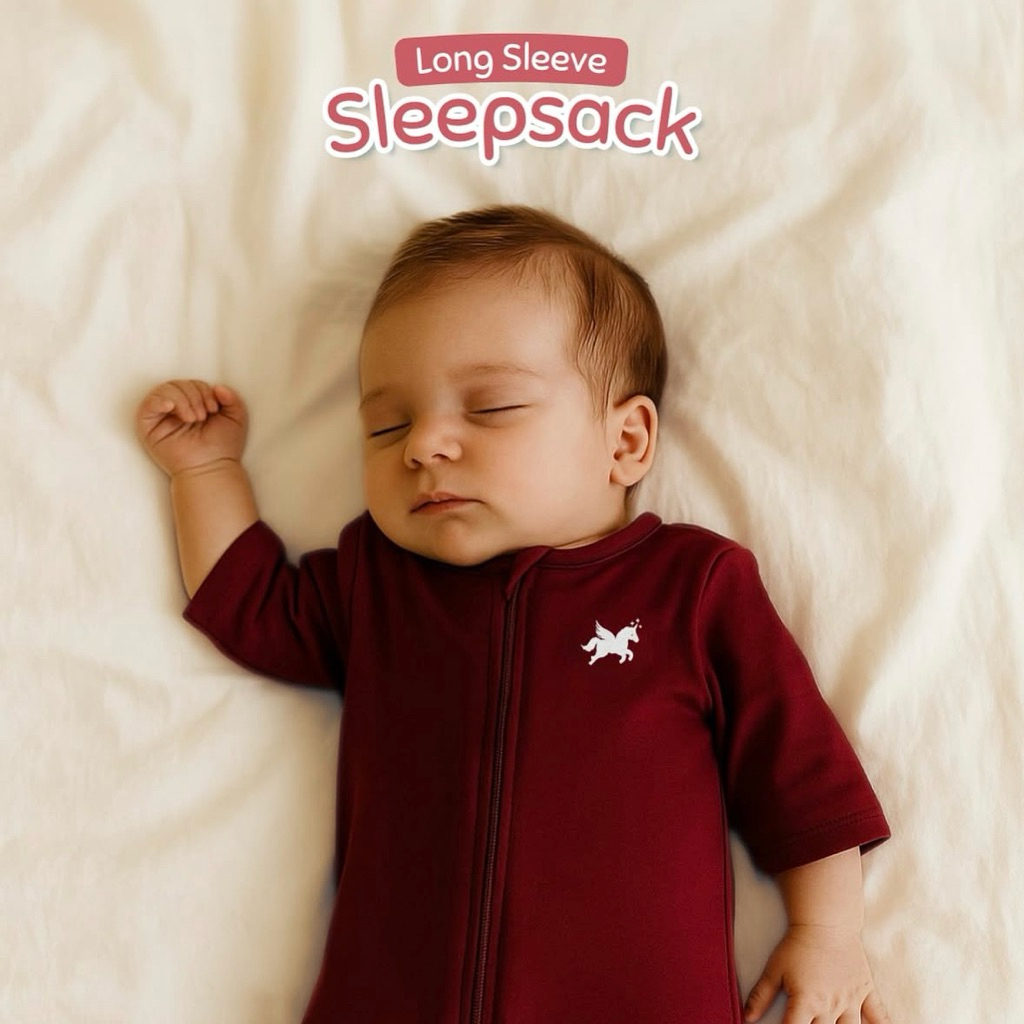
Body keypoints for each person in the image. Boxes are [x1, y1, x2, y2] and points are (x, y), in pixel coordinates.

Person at [134, 205, 892, 1024]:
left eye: (491, 408)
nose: (422, 444)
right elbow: (248, 605)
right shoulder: (379, 583)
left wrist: (828, 933)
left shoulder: (691, 586)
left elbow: (799, 772)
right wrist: (204, 471)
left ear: (625, 442)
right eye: (386, 425)